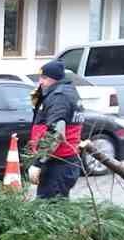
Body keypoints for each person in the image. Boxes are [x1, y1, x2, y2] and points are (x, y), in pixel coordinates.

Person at [27, 60, 84, 201]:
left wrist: (38, 163)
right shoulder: (65, 92)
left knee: (49, 208)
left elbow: (55, 133)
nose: (40, 82)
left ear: (54, 79)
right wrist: (39, 104)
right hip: (60, 161)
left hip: (59, 164)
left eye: (44, 78)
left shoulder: (60, 97)